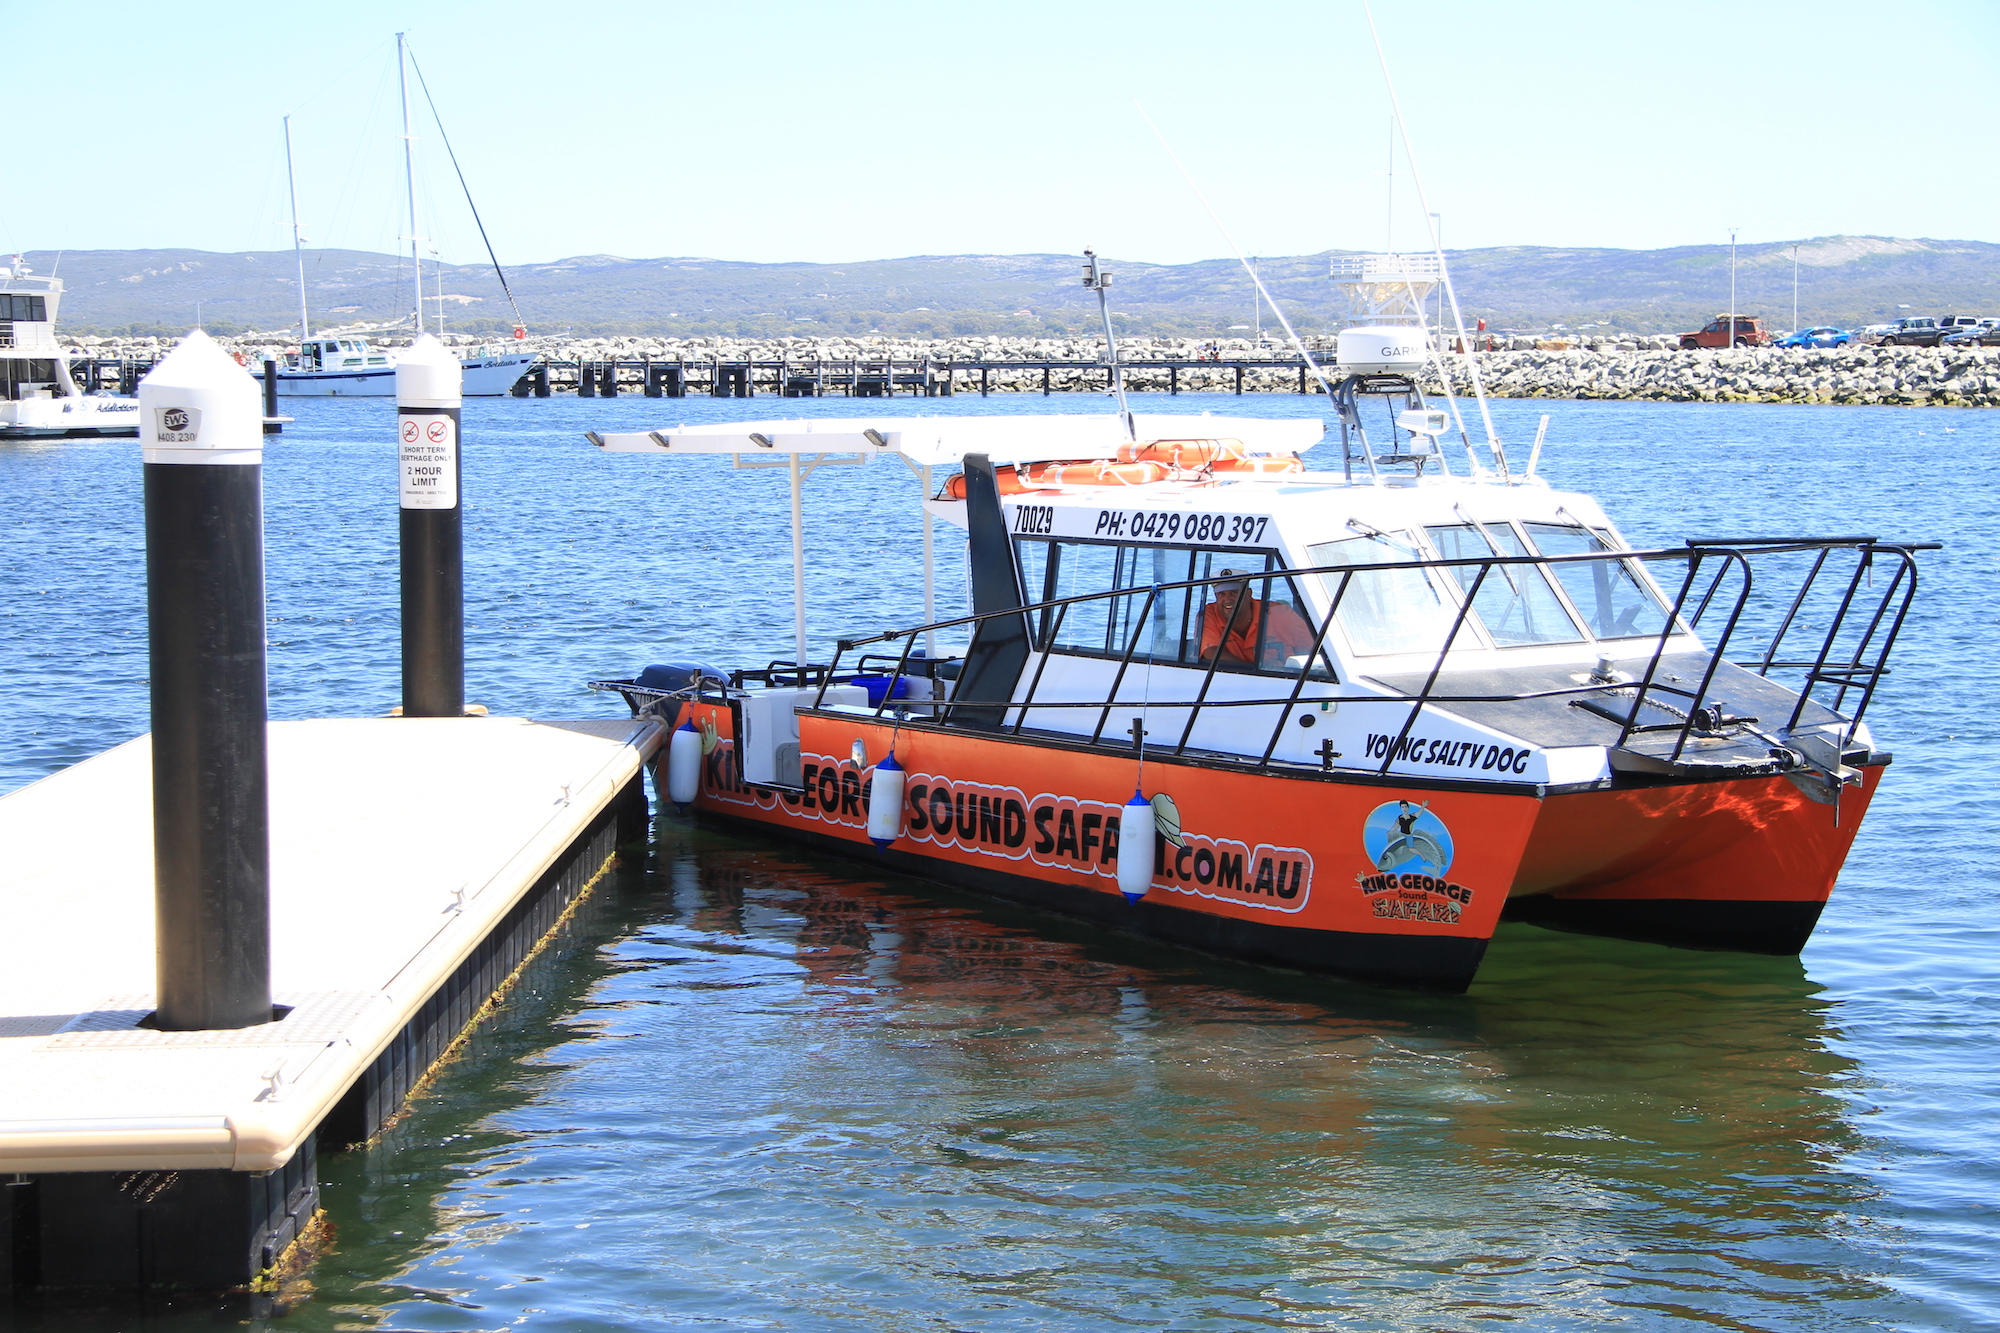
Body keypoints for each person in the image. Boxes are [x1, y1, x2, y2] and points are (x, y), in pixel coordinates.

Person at [1199, 569, 1314, 668]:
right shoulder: (1209, 614)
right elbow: (1210, 653)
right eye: (1221, 594)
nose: (1228, 599)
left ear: (1249, 594)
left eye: (1234, 593)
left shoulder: (1280, 613)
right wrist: (1256, 671)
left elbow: (1316, 649)